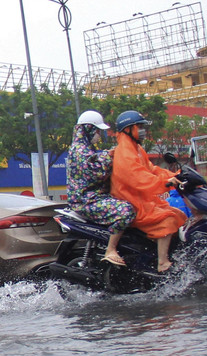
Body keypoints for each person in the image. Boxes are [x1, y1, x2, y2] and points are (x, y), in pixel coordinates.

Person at [109, 110, 187, 273]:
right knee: (168, 220)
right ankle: (163, 263)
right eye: (139, 127)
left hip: (143, 200)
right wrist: (165, 182)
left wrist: (175, 176)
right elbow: (138, 177)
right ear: (128, 129)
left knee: (180, 215)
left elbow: (151, 169)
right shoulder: (124, 152)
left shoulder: (136, 148)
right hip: (132, 201)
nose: (143, 131)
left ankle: (165, 255)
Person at [65, 110, 136, 267]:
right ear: (88, 129)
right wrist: (109, 156)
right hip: (87, 201)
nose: (98, 134)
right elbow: (96, 172)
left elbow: (95, 160)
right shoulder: (80, 150)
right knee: (126, 210)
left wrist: (107, 154)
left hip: (95, 197)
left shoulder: (86, 148)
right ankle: (110, 250)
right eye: (97, 130)